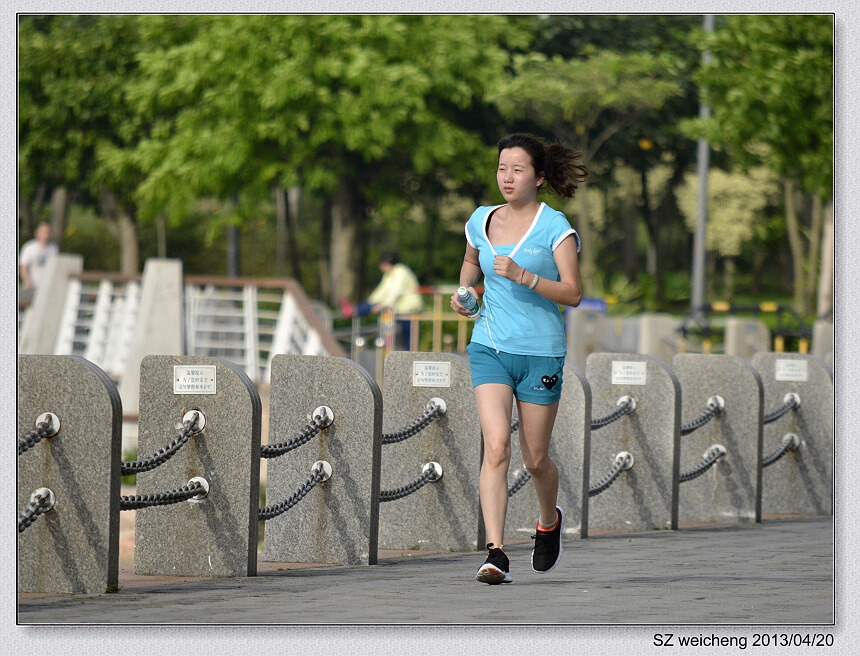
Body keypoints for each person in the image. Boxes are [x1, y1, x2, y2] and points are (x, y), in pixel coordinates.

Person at [450, 133, 587, 584]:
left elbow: (573, 293)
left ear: (539, 176)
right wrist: (465, 295)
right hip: (489, 346)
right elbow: (471, 269)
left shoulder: (555, 227)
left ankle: (548, 520)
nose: (507, 178)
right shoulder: (480, 220)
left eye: (518, 170)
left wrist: (526, 276)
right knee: (496, 447)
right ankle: (495, 552)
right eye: (502, 168)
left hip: (541, 352)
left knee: (535, 460)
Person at [342, 251, 424, 349]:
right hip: (399, 310)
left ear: (385, 264)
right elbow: (381, 291)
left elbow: (396, 291)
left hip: (410, 309)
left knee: (409, 338)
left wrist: (383, 304)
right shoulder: (389, 274)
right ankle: (356, 309)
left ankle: (355, 310)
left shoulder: (401, 271)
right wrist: (371, 302)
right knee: (399, 338)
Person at [20, 222, 59, 293]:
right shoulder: (29, 248)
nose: (46, 235)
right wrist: (27, 281)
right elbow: (24, 268)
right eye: (44, 232)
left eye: (48, 232)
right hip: (32, 286)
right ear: (37, 233)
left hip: (47, 287)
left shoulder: (54, 248)